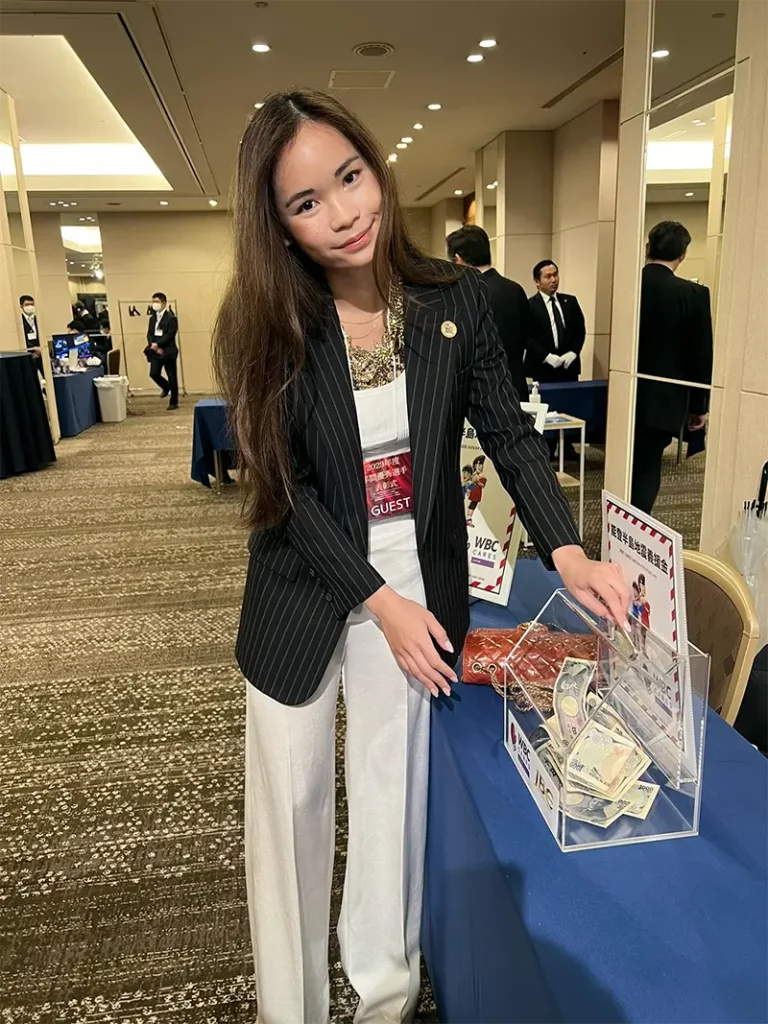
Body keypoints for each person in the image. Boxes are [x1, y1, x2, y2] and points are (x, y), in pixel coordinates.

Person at [212, 88, 629, 1024]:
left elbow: (510, 437)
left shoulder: (454, 299)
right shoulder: (263, 320)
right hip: (305, 582)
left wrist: (567, 547)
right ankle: (294, 1010)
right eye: (306, 202)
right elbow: (286, 495)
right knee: (292, 811)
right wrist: (376, 597)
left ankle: (386, 993)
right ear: (275, 224)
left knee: (394, 797)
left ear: (375, 166)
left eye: (350, 178)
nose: (345, 213)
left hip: (421, 576)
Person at [631, 221, 713, 513]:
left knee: (624, 464)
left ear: (648, 248)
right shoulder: (693, 294)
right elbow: (701, 354)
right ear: (683, 254)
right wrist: (699, 405)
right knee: (648, 467)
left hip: (626, 394)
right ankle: (638, 524)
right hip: (666, 398)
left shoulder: (629, 285)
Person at [445, 224, 531, 402]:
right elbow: (526, 337)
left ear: (458, 259)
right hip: (515, 386)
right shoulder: (515, 289)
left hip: (481, 394)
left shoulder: (465, 293)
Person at [525, 260, 585, 383]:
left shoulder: (570, 302)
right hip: (542, 368)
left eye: (555, 275)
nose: (554, 280)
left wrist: (574, 353)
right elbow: (526, 337)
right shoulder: (529, 306)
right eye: (548, 277)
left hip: (568, 367)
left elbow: (580, 330)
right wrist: (547, 357)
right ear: (537, 282)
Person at [146, 292, 179, 410]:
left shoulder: (171, 318)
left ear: (164, 303)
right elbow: (149, 333)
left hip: (168, 351)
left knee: (172, 375)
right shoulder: (152, 318)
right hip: (155, 351)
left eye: (157, 302)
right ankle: (166, 387)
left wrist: (159, 345)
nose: (154, 304)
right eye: (153, 302)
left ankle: (174, 401)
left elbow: (170, 335)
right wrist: (153, 345)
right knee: (154, 373)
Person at [19, 295, 42, 372]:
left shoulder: (38, 319)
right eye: (27, 305)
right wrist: (33, 349)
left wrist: (40, 350)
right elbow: (22, 338)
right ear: (21, 306)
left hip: (41, 353)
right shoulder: (19, 321)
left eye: (32, 304)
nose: (30, 307)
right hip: (29, 355)